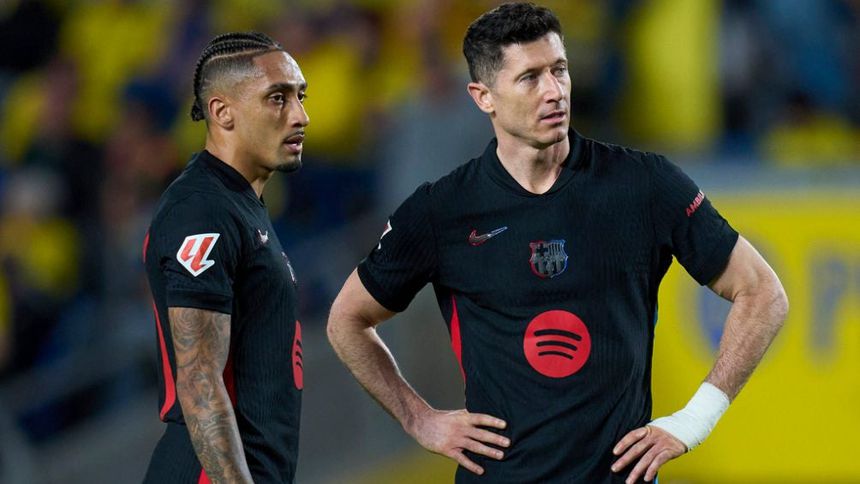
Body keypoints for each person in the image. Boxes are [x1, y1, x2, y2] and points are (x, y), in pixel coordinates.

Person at [326, 3, 787, 484]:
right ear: (484, 97)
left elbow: (762, 292)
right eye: (530, 78)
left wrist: (696, 418)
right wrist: (418, 419)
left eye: (559, 70)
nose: (554, 91)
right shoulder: (441, 210)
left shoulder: (644, 185)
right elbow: (347, 320)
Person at [143, 32, 309, 483]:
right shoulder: (202, 211)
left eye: (300, 96)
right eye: (277, 98)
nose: (300, 115)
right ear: (222, 112)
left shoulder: (238, 203)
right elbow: (199, 382)